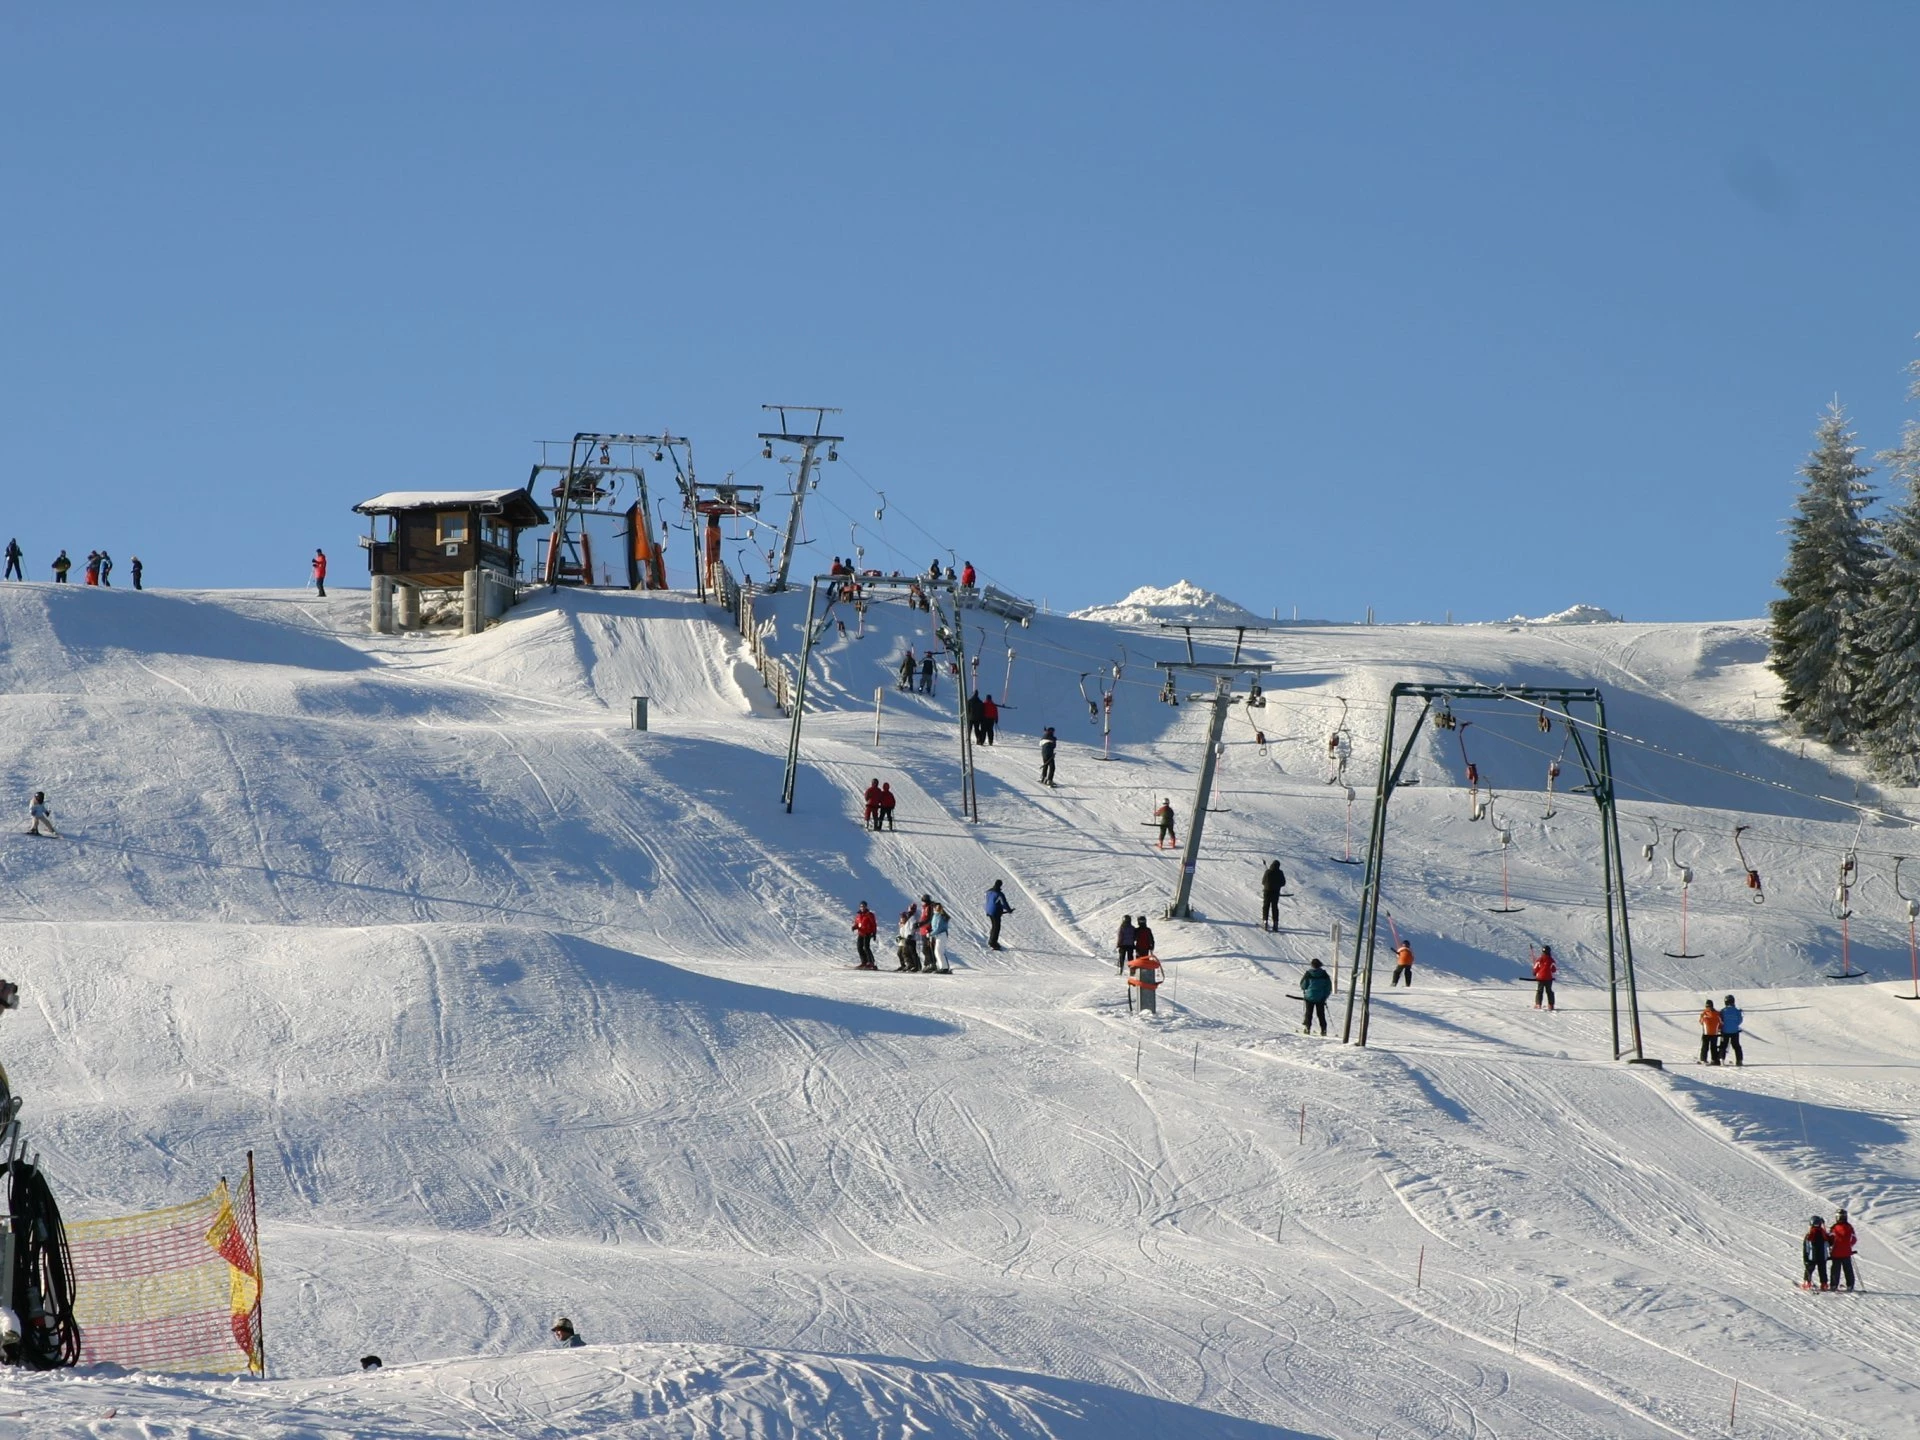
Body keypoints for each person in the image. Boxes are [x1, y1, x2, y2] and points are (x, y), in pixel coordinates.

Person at [1300, 958, 1332, 1035]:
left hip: (1309, 996)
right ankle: (1323, 1030)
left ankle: (1307, 1028)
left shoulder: (1308, 974)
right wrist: (1325, 996)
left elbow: (1303, 985)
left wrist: (1306, 989)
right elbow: (1328, 987)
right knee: (1321, 1014)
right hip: (1320, 997)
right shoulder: (1324, 974)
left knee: (1308, 1013)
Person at [1828, 1210, 1857, 1290]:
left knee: (1835, 1270)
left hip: (1836, 1253)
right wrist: (1848, 1245)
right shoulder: (1849, 1227)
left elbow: (1829, 1239)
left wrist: (1831, 1246)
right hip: (1846, 1252)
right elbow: (1854, 1239)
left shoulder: (1834, 1227)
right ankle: (1850, 1285)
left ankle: (1834, 1285)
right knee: (1848, 1269)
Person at [1803, 1216, 1830, 1291]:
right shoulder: (1823, 1233)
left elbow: (1806, 1247)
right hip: (1822, 1256)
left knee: (1809, 1269)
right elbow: (1828, 1242)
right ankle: (1824, 1284)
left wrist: (1805, 1258)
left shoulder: (1810, 1234)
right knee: (1822, 1270)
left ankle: (1807, 1282)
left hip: (1812, 1256)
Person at [984, 879, 1013, 950]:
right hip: (995, 912)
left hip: (988, 910)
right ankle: (993, 943)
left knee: (994, 925)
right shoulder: (999, 894)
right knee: (997, 927)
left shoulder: (988, 891)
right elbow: (1004, 903)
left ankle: (991, 940)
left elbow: (993, 902)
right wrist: (1009, 910)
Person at [1718, 994, 1744, 1066]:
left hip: (1725, 1031)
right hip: (1735, 1031)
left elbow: (1720, 1020)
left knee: (1723, 1045)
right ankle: (1739, 1060)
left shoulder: (1723, 1011)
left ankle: (1721, 1059)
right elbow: (1740, 1020)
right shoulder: (1736, 1011)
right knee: (1736, 1046)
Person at [851, 902, 879, 968]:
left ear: (866, 907)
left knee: (866, 947)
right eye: (861, 906)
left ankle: (871, 962)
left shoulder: (869, 915)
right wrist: (854, 927)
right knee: (859, 947)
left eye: (863, 906)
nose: (862, 908)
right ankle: (864, 962)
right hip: (861, 933)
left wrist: (874, 933)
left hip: (867, 933)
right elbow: (858, 923)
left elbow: (873, 924)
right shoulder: (858, 915)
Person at [1260, 861, 1285, 932]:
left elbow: (1263, 882)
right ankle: (1275, 924)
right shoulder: (1280, 873)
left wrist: (1267, 885)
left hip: (1267, 892)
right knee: (1275, 907)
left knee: (1266, 906)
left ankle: (1265, 922)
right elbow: (1283, 883)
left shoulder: (1268, 872)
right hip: (1276, 893)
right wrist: (1277, 885)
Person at [927, 902, 952, 971]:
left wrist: (931, 934)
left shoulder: (940, 916)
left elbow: (939, 928)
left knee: (939, 951)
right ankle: (942, 967)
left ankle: (944, 968)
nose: (934, 908)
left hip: (942, 934)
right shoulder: (936, 915)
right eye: (934, 907)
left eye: (935, 907)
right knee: (937, 951)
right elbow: (935, 927)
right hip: (939, 935)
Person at [1531, 945, 1557, 1010]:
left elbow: (1535, 968)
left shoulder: (1539, 959)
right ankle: (1551, 1005)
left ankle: (1538, 1004)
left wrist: (1534, 973)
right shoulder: (1551, 960)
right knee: (1549, 991)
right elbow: (1554, 970)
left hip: (1540, 978)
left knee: (1539, 991)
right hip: (1548, 978)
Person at [1698, 999, 1723, 1065]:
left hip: (1706, 1032)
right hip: (1714, 1033)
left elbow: (1701, 1022)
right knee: (1713, 1047)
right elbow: (1721, 1023)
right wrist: (1719, 1028)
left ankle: (1703, 1059)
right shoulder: (1717, 1013)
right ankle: (1714, 1059)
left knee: (1705, 1046)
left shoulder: (1704, 1013)